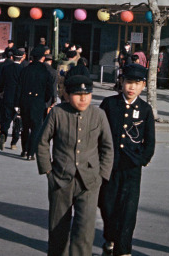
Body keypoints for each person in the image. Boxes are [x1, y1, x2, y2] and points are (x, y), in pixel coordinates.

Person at [37, 75, 114, 256]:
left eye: (87, 94)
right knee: (57, 229)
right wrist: (48, 171)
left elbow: (107, 147)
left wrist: (102, 175)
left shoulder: (98, 115)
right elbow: (42, 142)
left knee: (85, 230)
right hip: (60, 179)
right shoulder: (57, 113)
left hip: (90, 181)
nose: (83, 98)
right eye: (77, 94)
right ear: (66, 94)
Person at [99, 64, 155, 256]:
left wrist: (143, 159)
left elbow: (150, 140)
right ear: (121, 82)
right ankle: (110, 237)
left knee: (128, 210)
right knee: (107, 204)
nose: (132, 87)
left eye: (137, 83)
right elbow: (98, 132)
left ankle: (123, 249)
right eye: (128, 82)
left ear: (143, 86)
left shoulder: (145, 109)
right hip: (109, 165)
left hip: (131, 167)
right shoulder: (109, 104)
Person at [18, 47, 53, 160]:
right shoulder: (46, 72)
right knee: (36, 127)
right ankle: (31, 153)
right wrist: (45, 100)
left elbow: (19, 88)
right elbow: (49, 91)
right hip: (38, 102)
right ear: (43, 57)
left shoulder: (25, 70)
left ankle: (24, 149)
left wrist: (18, 102)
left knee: (25, 126)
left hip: (25, 101)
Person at [0, 48, 24, 150]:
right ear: (22, 58)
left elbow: (1, 81)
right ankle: (14, 142)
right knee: (17, 121)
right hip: (19, 98)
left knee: (6, 117)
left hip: (7, 95)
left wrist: (0, 92)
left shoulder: (6, 68)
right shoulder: (23, 70)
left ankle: (3, 133)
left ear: (12, 57)